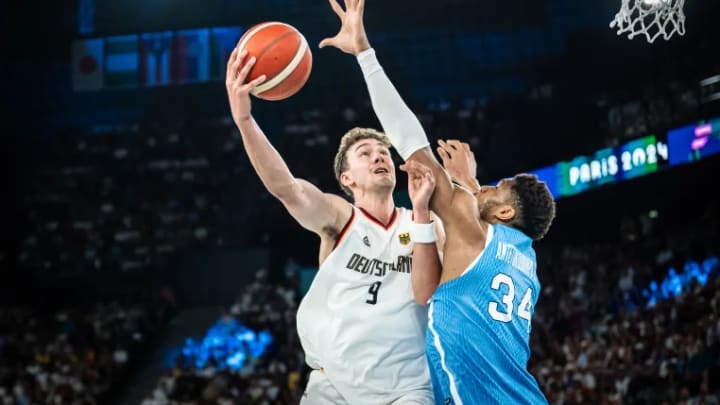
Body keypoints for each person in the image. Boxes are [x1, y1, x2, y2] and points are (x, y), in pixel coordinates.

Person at [321, 0, 557, 403]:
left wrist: (364, 53)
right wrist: (468, 184)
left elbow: (412, 147)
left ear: (504, 212)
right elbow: (476, 247)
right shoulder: (526, 263)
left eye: (493, 189)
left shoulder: (477, 229)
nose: (483, 189)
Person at [224, 6, 444, 403]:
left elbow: (430, 293)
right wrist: (245, 121)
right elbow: (287, 188)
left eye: (382, 151)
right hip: (335, 388)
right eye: (365, 153)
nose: (379, 156)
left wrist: (426, 211)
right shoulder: (338, 218)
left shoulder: (423, 223)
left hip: (408, 388)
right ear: (346, 179)